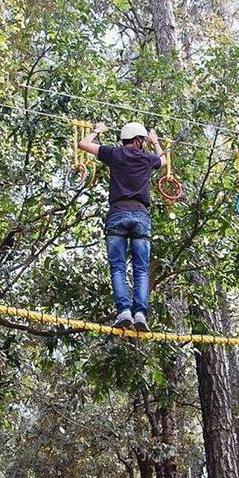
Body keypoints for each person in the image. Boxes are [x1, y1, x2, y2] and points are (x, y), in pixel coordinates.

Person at [78, 122, 167, 330]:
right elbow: (163, 161)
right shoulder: (147, 158)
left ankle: (124, 311)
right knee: (141, 269)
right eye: (143, 140)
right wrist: (156, 142)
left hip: (117, 214)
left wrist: (97, 131)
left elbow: (83, 144)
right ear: (137, 140)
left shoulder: (114, 154)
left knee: (118, 267)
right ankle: (140, 314)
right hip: (140, 216)